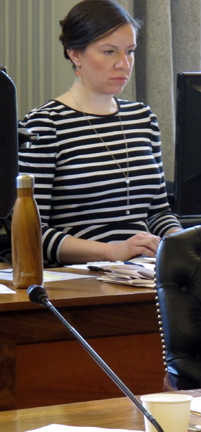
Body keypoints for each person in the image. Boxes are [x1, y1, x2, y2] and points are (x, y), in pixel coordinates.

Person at [17, 0, 181, 265]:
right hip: (81, 279)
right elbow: (33, 233)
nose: (123, 64)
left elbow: (158, 213)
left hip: (145, 272)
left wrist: (179, 242)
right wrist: (111, 251)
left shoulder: (143, 118)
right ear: (75, 54)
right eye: (109, 52)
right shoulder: (44, 125)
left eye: (130, 51)